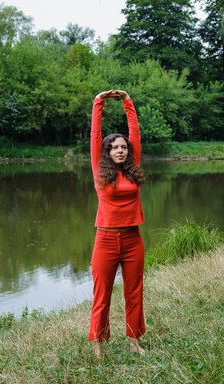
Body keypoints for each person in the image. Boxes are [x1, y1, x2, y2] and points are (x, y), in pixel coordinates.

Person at [88, 89, 146, 358]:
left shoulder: (133, 168)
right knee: (102, 296)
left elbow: (135, 134)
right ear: (107, 152)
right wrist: (98, 102)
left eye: (123, 147)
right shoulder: (100, 172)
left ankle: (134, 341)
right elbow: (95, 135)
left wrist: (127, 102)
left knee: (134, 293)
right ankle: (98, 345)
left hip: (133, 240)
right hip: (106, 240)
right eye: (115, 148)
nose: (120, 150)